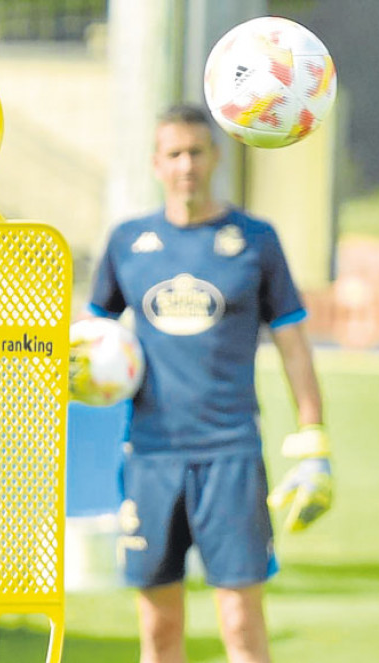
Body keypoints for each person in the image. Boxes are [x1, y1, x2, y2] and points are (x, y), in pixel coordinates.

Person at [86, 104, 333, 663]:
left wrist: (313, 437)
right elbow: (92, 335)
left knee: (241, 622)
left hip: (231, 454)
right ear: (156, 163)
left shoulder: (255, 240)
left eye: (196, 151)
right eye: (173, 153)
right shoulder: (128, 242)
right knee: (158, 629)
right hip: (151, 456)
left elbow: (293, 343)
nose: (186, 165)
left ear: (216, 156)